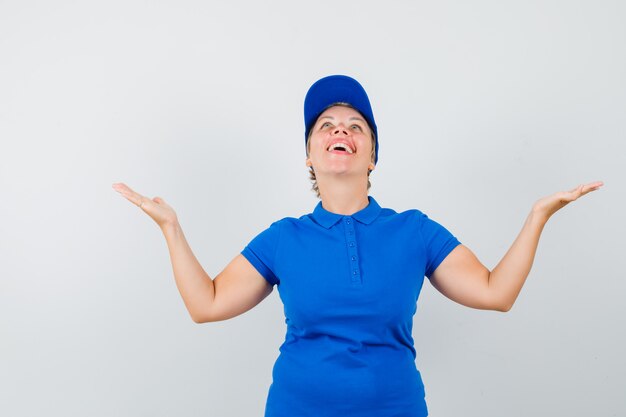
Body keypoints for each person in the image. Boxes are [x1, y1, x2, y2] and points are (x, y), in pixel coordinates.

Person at [112, 75, 603, 417]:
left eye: (354, 125)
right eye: (326, 125)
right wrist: (171, 229)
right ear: (310, 155)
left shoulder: (415, 231)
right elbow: (207, 304)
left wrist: (538, 217)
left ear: (372, 155)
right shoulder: (283, 238)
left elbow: (496, 292)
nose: (340, 130)